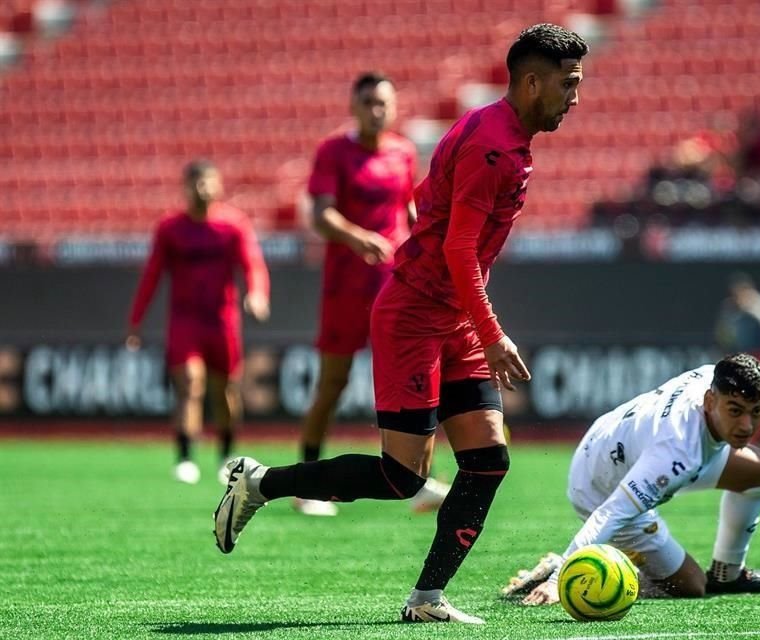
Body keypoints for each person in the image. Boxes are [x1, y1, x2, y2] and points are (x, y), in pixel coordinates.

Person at [213, 23, 588, 624]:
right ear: (532, 83)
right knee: (401, 478)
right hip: (414, 316)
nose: (575, 97)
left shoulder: (491, 128)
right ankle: (259, 483)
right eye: (568, 84)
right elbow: (459, 249)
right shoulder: (493, 148)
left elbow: (421, 195)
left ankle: (427, 599)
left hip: (453, 316)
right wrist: (492, 332)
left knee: (487, 461)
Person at [502, 353, 760, 605]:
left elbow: (736, 401)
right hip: (598, 487)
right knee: (691, 586)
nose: (747, 425)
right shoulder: (676, 453)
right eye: (736, 411)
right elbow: (611, 512)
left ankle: (728, 574)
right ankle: (572, 572)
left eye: (754, 411)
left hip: (612, 441)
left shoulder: (714, 376)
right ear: (709, 401)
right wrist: (559, 579)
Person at [295, 72, 447, 517]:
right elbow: (321, 215)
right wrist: (359, 237)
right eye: (368, 103)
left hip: (395, 285)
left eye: (383, 103)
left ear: (394, 107)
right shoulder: (333, 151)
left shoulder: (403, 152)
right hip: (346, 287)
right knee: (333, 383)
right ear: (354, 106)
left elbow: (408, 209)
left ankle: (417, 480)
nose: (376, 111)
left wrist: (430, 243)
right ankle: (306, 485)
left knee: (409, 380)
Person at [127, 160, 270, 485]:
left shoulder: (233, 225)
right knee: (189, 384)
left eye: (208, 182)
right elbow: (152, 275)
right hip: (185, 321)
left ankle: (226, 455)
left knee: (225, 390)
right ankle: (186, 457)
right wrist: (136, 320)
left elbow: (253, 264)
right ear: (186, 187)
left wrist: (258, 294)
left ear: (219, 185)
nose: (203, 189)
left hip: (222, 320)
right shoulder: (170, 228)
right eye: (197, 183)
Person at [714, 272, 760, 373]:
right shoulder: (730, 309)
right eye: (734, 294)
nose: (737, 297)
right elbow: (723, 336)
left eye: (740, 292)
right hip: (741, 358)